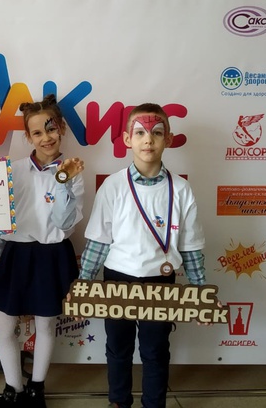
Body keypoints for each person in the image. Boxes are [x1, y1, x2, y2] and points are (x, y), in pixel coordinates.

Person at [79, 103, 207, 408]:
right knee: (117, 348)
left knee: (155, 350)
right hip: (117, 280)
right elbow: (98, 242)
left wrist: (200, 293)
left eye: (157, 133)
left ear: (168, 139)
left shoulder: (182, 189)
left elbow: (190, 247)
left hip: (160, 283)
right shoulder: (113, 186)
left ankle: (154, 404)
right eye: (139, 133)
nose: (148, 139)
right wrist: (83, 285)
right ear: (127, 139)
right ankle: (118, 402)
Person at [0, 94, 85, 408]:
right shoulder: (12, 170)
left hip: (51, 254)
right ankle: (13, 391)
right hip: (15, 254)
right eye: (37, 132)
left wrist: (63, 181)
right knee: (1, 325)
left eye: (51, 129)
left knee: (46, 324)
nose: (46, 137)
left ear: (61, 128)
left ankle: (37, 391)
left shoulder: (73, 172)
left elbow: (64, 223)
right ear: (28, 136)